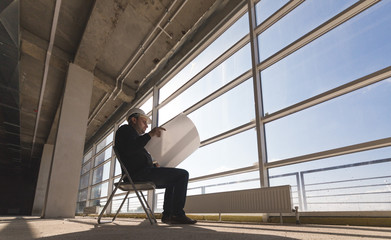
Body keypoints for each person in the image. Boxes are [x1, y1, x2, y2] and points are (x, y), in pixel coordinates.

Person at [115, 108, 197, 224]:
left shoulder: (133, 136)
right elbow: (131, 149)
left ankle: (168, 215)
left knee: (174, 180)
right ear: (134, 120)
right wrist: (150, 134)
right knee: (183, 175)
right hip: (138, 174)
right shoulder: (125, 130)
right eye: (144, 122)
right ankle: (177, 214)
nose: (146, 126)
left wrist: (154, 165)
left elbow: (135, 156)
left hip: (140, 173)